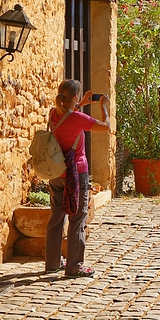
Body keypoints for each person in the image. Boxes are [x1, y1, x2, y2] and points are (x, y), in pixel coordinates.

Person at [45, 79, 108, 277]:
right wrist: (103, 107)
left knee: (56, 216)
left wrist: (81, 105)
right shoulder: (78, 119)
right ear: (75, 96)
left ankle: (52, 263)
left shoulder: (53, 114)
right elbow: (105, 126)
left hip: (56, 172)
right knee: (78, 216)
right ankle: (74, 266)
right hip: (76, 173)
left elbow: (67, 117)